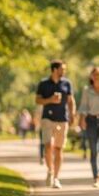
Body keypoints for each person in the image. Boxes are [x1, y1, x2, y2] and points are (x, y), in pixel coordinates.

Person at [36, 60, 76, 188]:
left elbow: (70, 101)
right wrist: (50, 100)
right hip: (47, 119)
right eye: (62, 69)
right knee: (48, 146)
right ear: (54, 69)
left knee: (58, 149)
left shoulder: (67, 83)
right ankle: (50, 170)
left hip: (62, 119)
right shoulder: (43, 83)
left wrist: (72, 114)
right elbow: (38, 100)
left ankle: (56, 178)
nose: (64, 71)